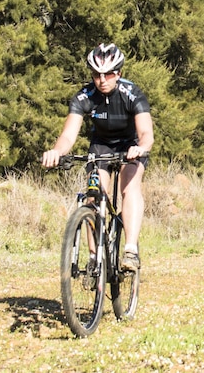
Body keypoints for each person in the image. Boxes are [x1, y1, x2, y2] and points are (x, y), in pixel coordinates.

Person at [42, 43, 154, 271]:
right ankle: (95, 257)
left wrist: (140, 148)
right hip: (101, 147)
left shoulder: (132, 94)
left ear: (118, 73)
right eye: (96, 74)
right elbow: (68, 135)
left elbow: (146, 134)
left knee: (129, 189)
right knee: (93, 196)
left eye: (108, 74)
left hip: (130, 146)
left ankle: (130, 251)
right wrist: (57, 151)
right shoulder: (84, 97)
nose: (102, 80)